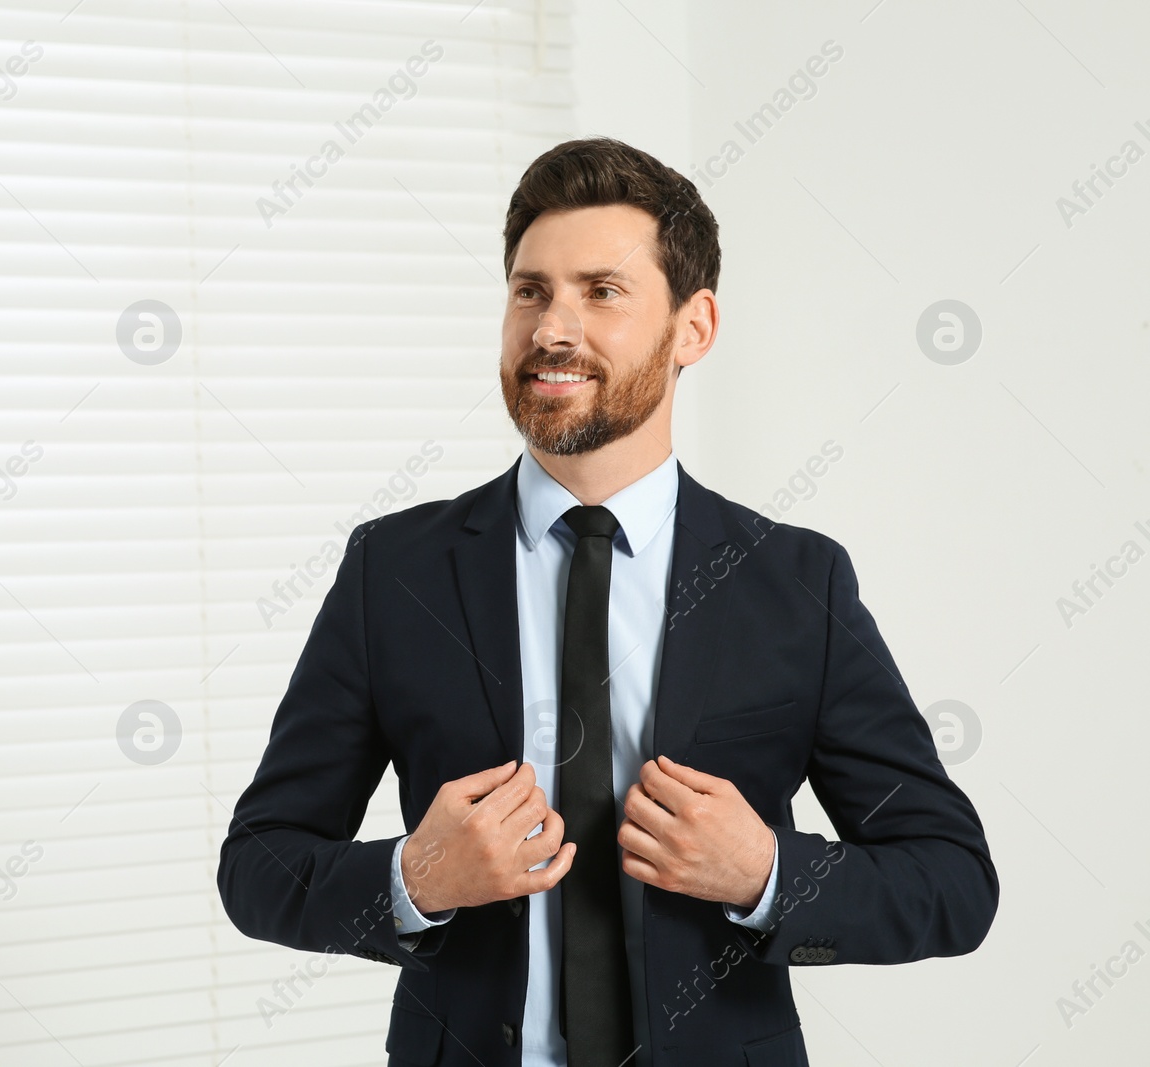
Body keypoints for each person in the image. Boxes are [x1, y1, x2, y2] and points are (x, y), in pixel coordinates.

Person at [216, 137, 997, 1067]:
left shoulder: (796, 582)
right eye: (530, 290)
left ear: (693, 328)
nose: (553, 327)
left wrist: (767, 874)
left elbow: (950, 880)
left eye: (603, 291)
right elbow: (258, 864)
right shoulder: (395, 569)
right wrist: (411, 878)